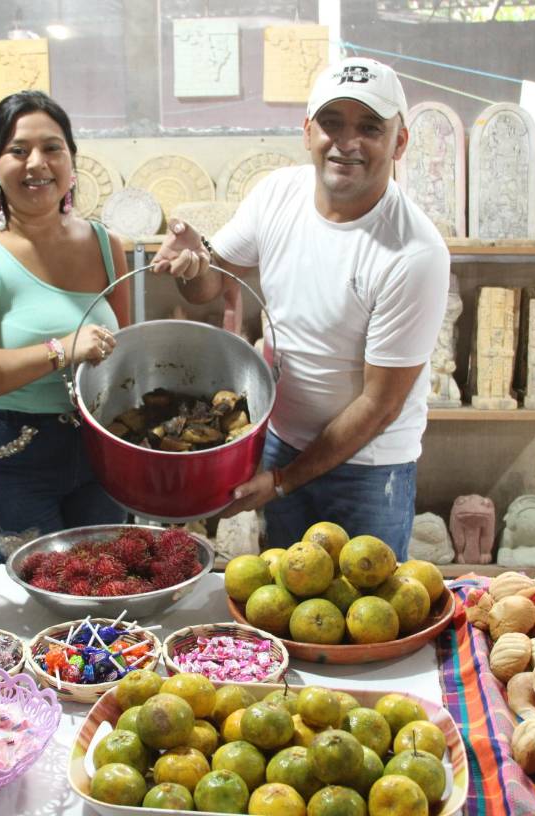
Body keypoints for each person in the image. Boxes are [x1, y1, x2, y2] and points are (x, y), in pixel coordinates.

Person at [152, 57, 450, 558]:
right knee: (287, 605)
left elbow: (380, 405)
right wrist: (191, 262)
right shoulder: (278, 195)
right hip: (281, 439)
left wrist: (284, 481)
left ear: (399, 142)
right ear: (307, 130)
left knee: (364, 620)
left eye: (369, 128)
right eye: (331, 123)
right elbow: (210, 285)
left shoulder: (414, 253)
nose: (346, 142)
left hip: (369, 467)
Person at [0, 90, 130, 543]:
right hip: (11, 459)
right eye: (18, 151)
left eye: (52, 148)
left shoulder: (105, 244)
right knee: (29, 603)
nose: (36, 162)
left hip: (102, 450)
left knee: (109, 592)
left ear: (71, 160)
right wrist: (61, 350)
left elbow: (122, 358)